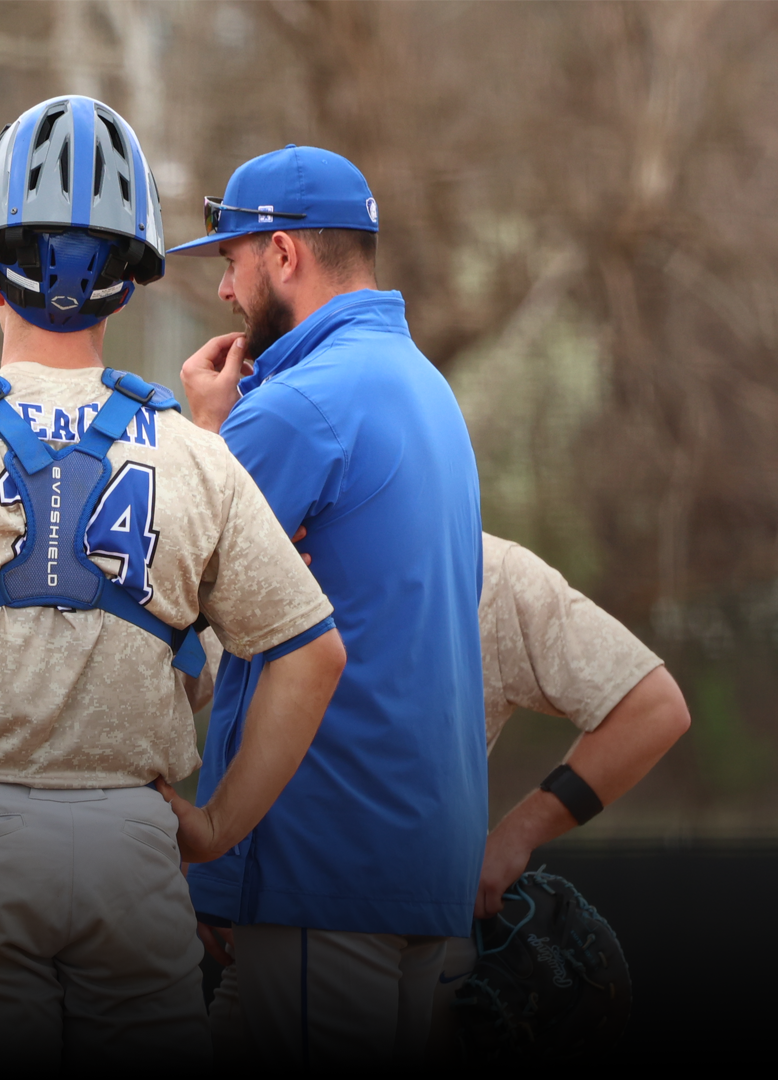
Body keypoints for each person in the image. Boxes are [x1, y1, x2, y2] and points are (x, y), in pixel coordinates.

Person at [0, 95, 344, 1071]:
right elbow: (311, 655)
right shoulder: (194, 452)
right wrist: (214, 827)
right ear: (128, 287)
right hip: (135, 841)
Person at [172, 145, 485, 1069]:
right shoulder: (425, 387)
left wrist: (203, 435)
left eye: (230, 260)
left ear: (282, 253)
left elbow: (170, 591)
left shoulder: (300, 405)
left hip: (324, 858)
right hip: (423, 857)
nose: (226, 291)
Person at [203, 531, 691, 1059]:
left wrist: (515, 836)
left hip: (331, 911)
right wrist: (208, 868)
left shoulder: (494, 569)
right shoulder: (268, 552)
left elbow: (653, 708)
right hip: (360, 919)